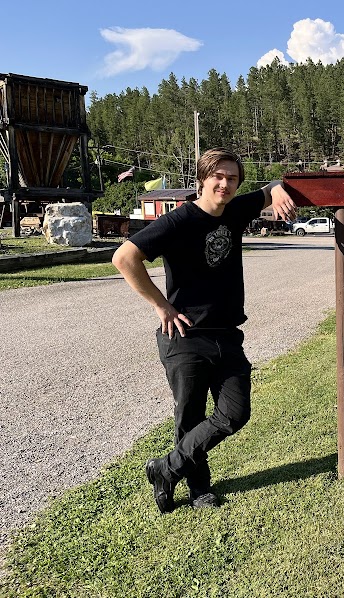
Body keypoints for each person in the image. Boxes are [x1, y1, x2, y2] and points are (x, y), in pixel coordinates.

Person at [112, 147, 296, 512]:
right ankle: (199, 490)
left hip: (226, 333)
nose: (225, 184)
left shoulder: (237, 210)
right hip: (184, 336)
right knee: (190, 416)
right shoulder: (179, 221)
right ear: (202, 180)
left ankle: (166, 468)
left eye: (232, 178)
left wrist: (275, 189)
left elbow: (272, 186)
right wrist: (161, 305)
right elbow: (124, 258)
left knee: (235, 412)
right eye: (218, 177)